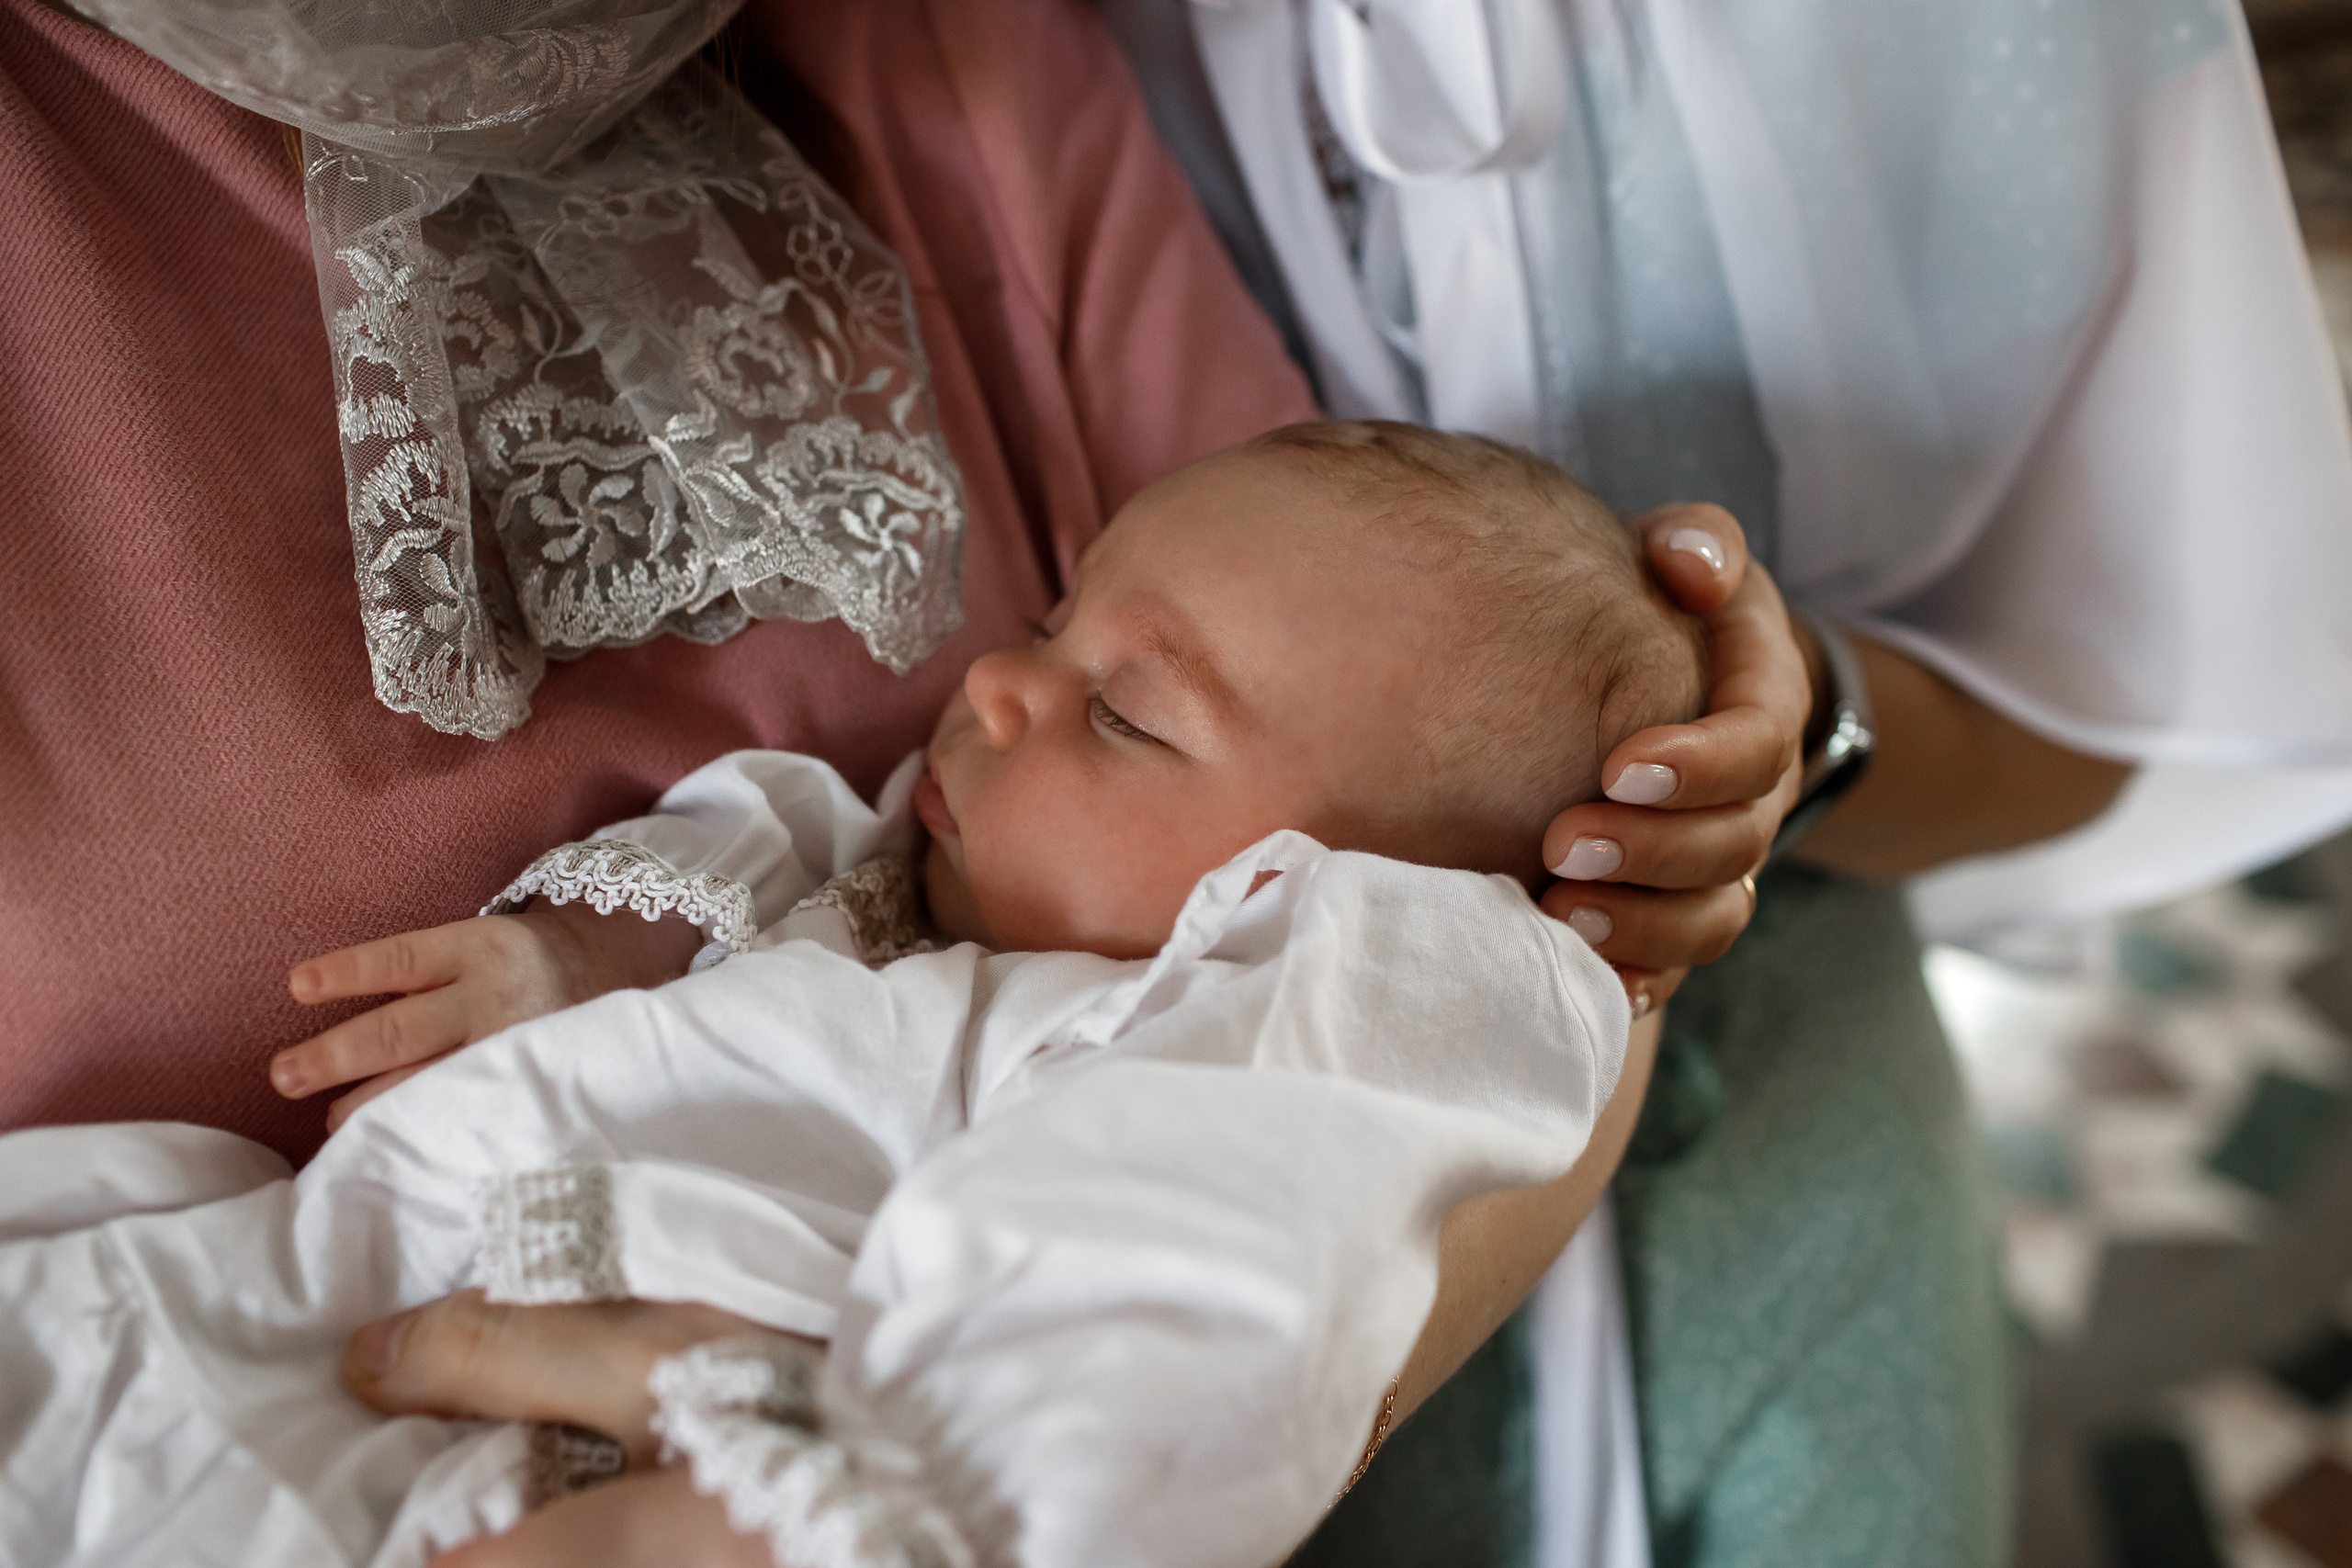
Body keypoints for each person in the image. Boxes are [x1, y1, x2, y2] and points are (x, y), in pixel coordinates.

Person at [0, 424, 1699, 1568]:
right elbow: (737, 856)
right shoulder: (882, 873)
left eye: (1127, 714)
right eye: (1049, 618)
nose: (999, 681)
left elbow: (1188, 1318)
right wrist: (563, 957)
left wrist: (850, 1507)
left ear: (1335, 909)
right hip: (269, 1287)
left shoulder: (1170, 1065)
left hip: (565, 1478)